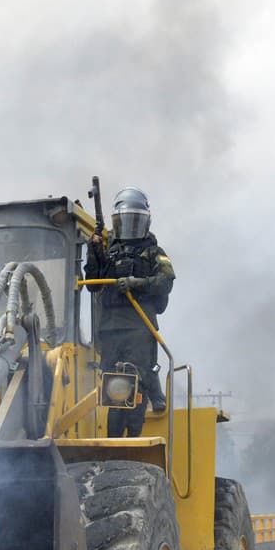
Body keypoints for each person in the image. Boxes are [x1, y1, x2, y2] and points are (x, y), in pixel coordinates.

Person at [85, 186, 176, 437]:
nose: (130, 226)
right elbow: (93, 283)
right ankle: (113, 439)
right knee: (111, 385)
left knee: (137, 382)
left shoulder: (155, 253)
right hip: (110, 329)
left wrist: (137, 283)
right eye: (126, 220)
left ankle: (132, 438)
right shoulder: (108, 250)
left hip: (140, 327)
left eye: (135, 220)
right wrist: (93, 251)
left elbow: (166, 280)